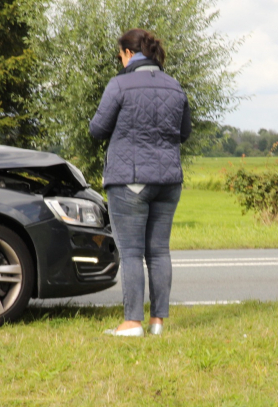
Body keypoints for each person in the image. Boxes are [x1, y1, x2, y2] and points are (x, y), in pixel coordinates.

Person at [89, 28, 191, 337]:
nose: (119, 61)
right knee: (159, 251)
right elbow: (183, 133)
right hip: (169, 181)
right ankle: (157, 323)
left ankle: (132, 322)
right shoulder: (175, 86)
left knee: (132, 253)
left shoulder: (120, 84)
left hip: (130, 180)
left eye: (119, 55)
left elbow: (97, 129)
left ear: (129, 54)